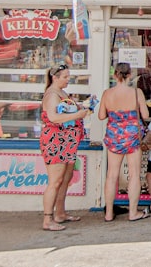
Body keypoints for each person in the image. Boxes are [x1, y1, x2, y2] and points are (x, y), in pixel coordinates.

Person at [40, 63, 92, 231]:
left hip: (67, 142)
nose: (68, 79)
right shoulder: (51, 95)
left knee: (65, 179)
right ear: (55, 77)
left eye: (69, 76)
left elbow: (68, 111)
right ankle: (47, 219)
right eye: (65, 77)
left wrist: (85, 107)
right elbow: (54, 117)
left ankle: (60, 213)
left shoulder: (61, 93)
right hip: (56, 141)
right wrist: (78, 114)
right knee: (55, 181)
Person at [99, 62, 150, 222]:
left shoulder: (107, 93)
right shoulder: (136, 92)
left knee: (111, 175)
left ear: (115, 75)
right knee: (134, 174)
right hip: (133, 134)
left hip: (114, 134)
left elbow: (101, 116)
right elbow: (146, 115)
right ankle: (133, 212)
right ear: (130, 75)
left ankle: (108, 213)